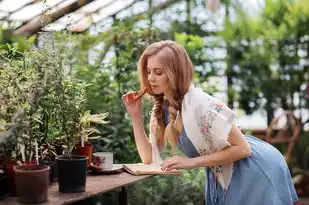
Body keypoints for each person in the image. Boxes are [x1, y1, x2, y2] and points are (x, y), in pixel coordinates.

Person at [122, 40, 299, 205]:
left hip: (253, 168)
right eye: (148, 71)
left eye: (158, 72)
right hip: (223, 171)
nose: (151, 78)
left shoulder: (200, 103)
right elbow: (148, 158)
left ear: (175, 72)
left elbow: (244, 149)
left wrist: (192, 162)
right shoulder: (164, 109)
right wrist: (135, 117)